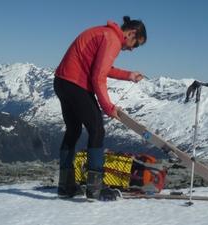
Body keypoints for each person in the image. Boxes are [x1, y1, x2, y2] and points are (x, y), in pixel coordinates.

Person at [53, 16, 147, 200]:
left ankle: (66, 186)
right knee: (97, 129)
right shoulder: (112, 38)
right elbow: (98, 76)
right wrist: (107, 106)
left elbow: (103, 67)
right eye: (136, 44)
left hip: (62, 81)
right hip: (75, 83)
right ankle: (96, 187)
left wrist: (129, 75)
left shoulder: (104, 33)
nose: (132, 49)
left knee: (73, 130)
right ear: (132, 33)